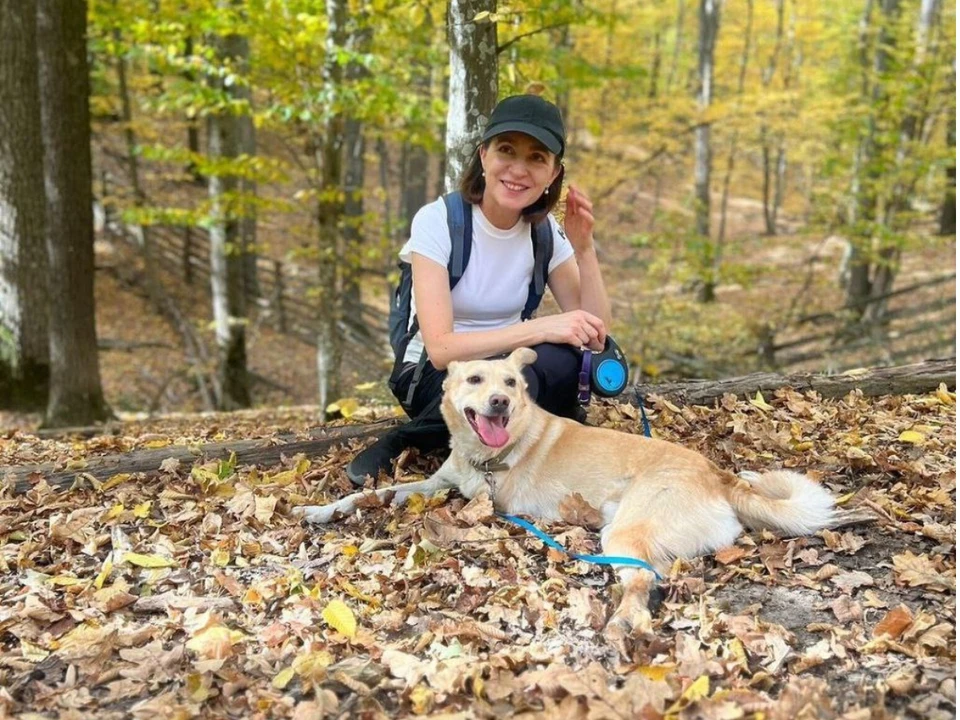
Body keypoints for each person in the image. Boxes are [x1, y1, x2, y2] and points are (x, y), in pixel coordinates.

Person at [347, 94, 612, 485]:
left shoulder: (545, 234)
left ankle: (525, 433)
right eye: (507, 150)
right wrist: (541, 329)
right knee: (529, 363)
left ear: (554, 174)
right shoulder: (440, 221)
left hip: (504, 376)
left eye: (537, 158)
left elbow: (597, 334)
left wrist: (584, 248)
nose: (519, 170)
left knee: (561, 360)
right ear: (484, 155)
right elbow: (440, 349)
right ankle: (414, 438)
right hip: (435, 376)